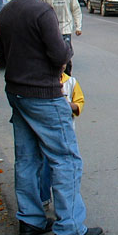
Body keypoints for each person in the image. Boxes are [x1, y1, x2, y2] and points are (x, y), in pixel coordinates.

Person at [0, 0, 103, 235]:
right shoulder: (42, 11)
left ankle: (30, 221)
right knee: (65, 158)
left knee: (27, 159)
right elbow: (59, 54)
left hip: (17, 93)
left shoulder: (6, 12)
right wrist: (65, 52)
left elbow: (1, 56)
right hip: (43, 94)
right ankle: (70, 227)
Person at [40, 70, 85, 207]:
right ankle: (43, 197)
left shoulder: (71, 82)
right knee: (44, 166)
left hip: (65, 133)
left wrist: (67, 104)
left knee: (64, 168)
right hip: (45, 132)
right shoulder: (42, 81)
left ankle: (65, 203)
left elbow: (79, 104)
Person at [41, 0, 82, 76]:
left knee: (66, 55)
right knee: (52, 55)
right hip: (51, 31)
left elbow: (76, 10)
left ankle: (67, 77)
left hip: (66, 30)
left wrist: (78, 27)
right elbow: (41, 12)